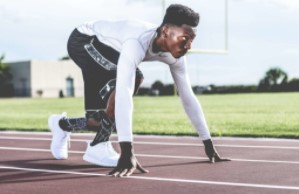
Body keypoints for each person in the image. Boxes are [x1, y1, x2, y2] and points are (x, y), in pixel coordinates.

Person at [48, 3, 230, 177]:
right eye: (185, 38)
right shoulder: (136, 42)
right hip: (83, 40)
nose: (189, 46)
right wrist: (127, 151)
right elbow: (124, 93)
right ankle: (98, 145)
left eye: (192, 40)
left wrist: (208, 144)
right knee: (134, 78)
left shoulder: (176, 57)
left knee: (97, 121)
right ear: (166, 30)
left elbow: (188, 97)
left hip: (108, 49)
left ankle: (62, 125)